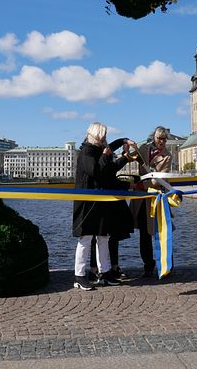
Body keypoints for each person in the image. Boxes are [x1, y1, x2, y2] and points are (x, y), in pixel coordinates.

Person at [72, 122, 134, 291]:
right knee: (85, 239)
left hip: (99, 201)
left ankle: (104, 273)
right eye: (103, 136)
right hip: (86, 202)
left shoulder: (99, 150)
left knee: (103, 237)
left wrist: (123, 144)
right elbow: (96, 171)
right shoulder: (86, 152)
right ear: (96, 136)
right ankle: (79, 276)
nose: (106, 139)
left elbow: (109, 169)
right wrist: (107, 154)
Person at [129, 126, 172, 277]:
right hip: (141, 199)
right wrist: (128, 149)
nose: (162, 141)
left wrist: (140, 184)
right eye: (160, 138)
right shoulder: (143, 149)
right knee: (144, 235)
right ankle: (148, 266)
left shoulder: (167, 156)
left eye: (164, 139)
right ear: (154, 137)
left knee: (162, 232)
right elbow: (131, 157)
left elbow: (160, 179)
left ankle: (167, 265)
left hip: (156, 199)